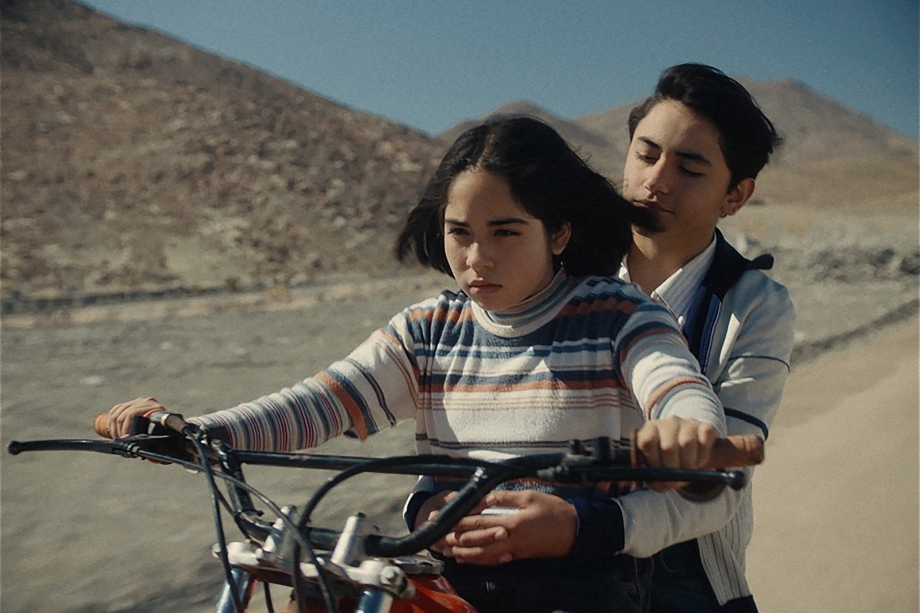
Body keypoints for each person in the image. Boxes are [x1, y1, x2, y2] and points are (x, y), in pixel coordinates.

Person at [106, 115, 731, 613]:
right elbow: (324, 402)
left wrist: (687, 428)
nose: (477, 257)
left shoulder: (617, 314)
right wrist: (196, 432)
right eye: (460, 232)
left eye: (505, 232)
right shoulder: (429, 328)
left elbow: (674, 383)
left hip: (583, 585)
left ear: (558, 234)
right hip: (450, 578)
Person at [415, 66, 796, 613]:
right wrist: (426, 502)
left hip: (685, 576)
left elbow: (720, 479)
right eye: (646, 155)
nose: (656, 180)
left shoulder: (755, 306)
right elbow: (472, 409)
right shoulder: (548, 269)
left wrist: (587, 526)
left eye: (689, 168)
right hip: (536, 566)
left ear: (736, 194)